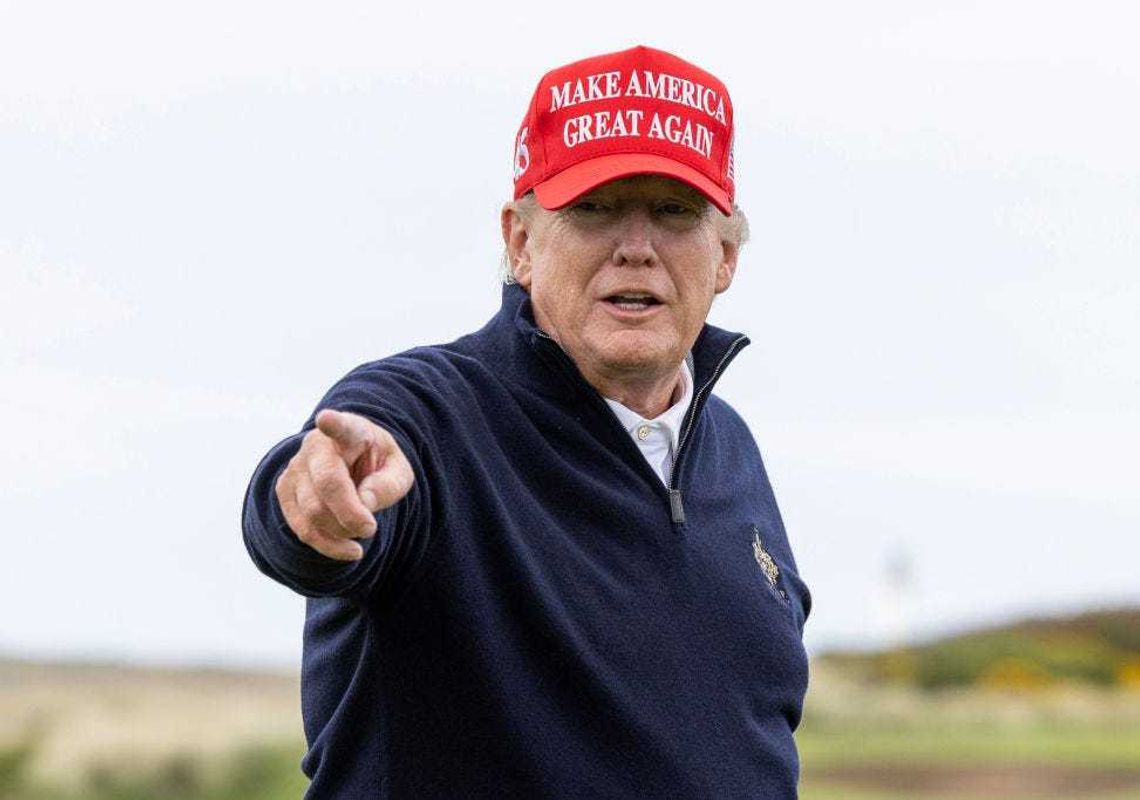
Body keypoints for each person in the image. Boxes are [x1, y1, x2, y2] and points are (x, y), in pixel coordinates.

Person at [242, 44, 813, 799]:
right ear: (520, 242)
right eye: (593, 209)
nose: (635, 248)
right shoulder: (431, 415)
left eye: (674, 212)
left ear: (726, 255)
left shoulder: (731, 447)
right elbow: (318, 501)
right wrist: (306, 507)